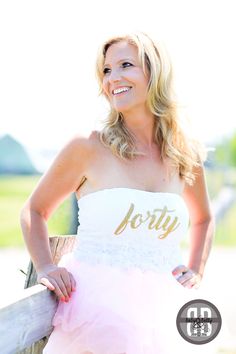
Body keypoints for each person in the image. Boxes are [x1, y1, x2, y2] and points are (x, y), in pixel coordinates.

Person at [20, 31, 215, 354]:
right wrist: (46, 267)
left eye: (126, 65)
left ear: (155, 72)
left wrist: (196, 270)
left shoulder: (183, 154)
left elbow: (204, 218)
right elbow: (34, 211)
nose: (113, 78)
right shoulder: (88, 146)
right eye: (106, 70)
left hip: (164, 316)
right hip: (95, 317)